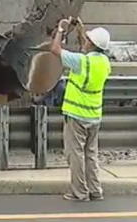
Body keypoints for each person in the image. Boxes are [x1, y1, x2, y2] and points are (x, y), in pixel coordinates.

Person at [49, 18, 112, 202]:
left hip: (76, 115)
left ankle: (79, 192)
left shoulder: (80, 62)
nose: (85, 41)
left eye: (88, 40)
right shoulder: (105, 63)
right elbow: (87, 47)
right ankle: (95, 190)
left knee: (75, 154)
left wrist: (61, 29)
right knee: (91, 154)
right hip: (94, 115)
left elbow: (55, 50)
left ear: (92, 44)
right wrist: (80, 27)